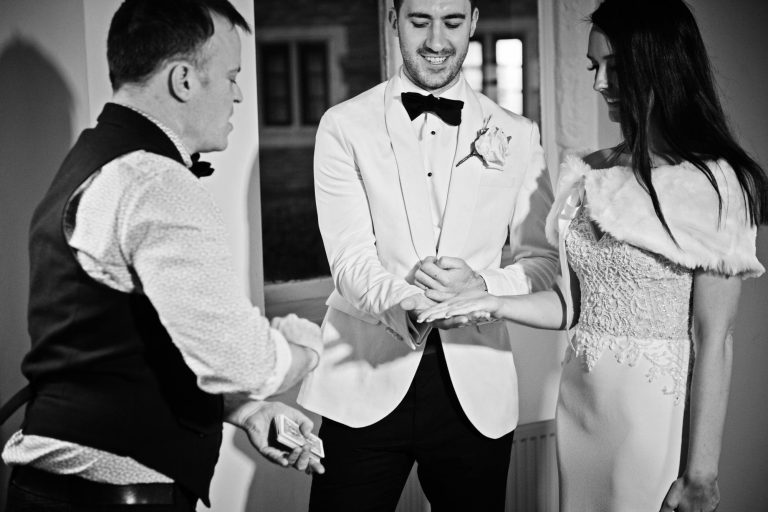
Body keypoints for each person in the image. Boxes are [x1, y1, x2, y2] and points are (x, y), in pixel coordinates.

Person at [418, 0, 768, 510]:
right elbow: (573, 307)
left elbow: (716, 338)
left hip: (649, 415)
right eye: (594, 67)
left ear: (663, 66)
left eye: (617, 67)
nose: (600, 82)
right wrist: (486, 296)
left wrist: (702, 473)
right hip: (580, 407)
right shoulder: (590, 174)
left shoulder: (716, 185)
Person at [0, 1, 324, 510]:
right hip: (111, 496)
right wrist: (307, 349)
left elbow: (131, 345)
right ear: (183, 80)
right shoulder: (155, 181)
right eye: (232, 76)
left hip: (58, 488)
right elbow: (245, 362)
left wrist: (246, 411)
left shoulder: (93, 161)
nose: (239, 94)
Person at [297, 0, 559, 510]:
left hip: (475, 389)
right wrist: (408, 303)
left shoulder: (519, 134)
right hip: (363, 380)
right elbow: (349, 259)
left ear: (475, 23)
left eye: (453, 22)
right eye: (420, 21)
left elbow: (543, 263)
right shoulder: (343, 126)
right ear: (393, 20)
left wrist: (481, 287)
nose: (437, 41)